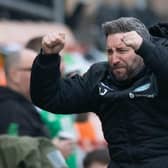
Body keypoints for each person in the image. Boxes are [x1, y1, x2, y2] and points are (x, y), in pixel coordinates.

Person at [30, 17, 168, 167]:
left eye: (122, 50)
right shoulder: (100, 77)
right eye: (109, 51)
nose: (114, 59)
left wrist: (146, 48)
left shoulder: (157, 71)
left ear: (140, 49)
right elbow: (50, 98)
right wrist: (48, 58)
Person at [0, 45, 49, 137]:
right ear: (15, 75)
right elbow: (18, 150)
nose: (42, 75)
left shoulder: (24, 104)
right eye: (35, 69)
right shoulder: (11, 110)